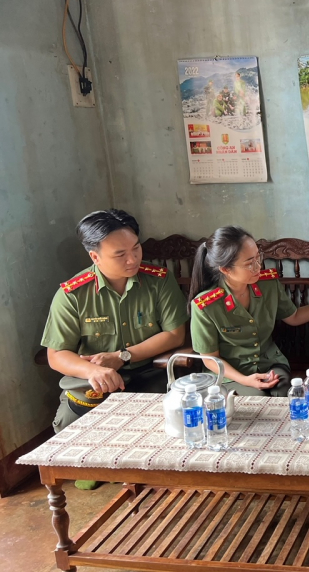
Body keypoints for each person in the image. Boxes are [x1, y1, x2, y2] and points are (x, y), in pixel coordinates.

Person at [41, 209, 188, 488]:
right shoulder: (73, 294)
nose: (133, 259)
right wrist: (92, 370)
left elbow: (174, 335)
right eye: (120, 254)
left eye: (136, 248)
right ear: (94, 257)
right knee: (72, 442)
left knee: (166, 435)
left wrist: (123, 356)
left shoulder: (158, 280)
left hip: (148, 373)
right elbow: (56, 354)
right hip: (96, 384)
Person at [189, 226, 309, 396]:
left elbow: (293, 316)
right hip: (232, 375)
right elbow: (210, 358)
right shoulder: (205, 305)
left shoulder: (268, 285)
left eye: (259, 257)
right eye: (250, 263)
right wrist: (245, 380)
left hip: (271, 364)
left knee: (285, 395)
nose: (258, 266)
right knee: (257, 400)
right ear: (226, 269)